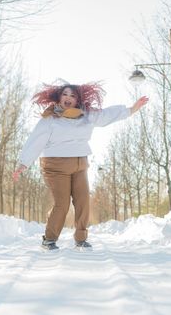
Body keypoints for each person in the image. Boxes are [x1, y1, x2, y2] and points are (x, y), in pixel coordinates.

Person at [12, 81, 148, 250]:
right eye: (65, 94)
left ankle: (81, 239)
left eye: (72, 95)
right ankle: (49, 239)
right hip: (55, 165)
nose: (68, 98)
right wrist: (23, 164)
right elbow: (35, 141)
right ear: (59, 98)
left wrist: (131, 109)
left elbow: (106, 115)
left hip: (80, 164)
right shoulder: (50, 119)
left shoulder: (86, 115)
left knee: (83, 201)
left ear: (78, 99)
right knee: (62, 204)